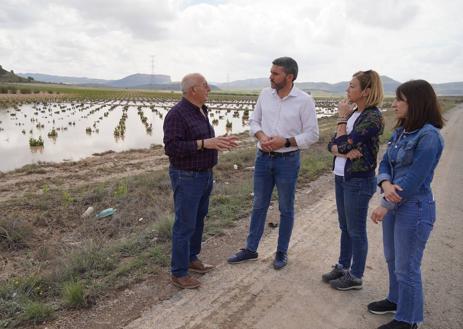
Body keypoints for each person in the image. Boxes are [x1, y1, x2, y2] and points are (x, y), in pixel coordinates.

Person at [227, 57, 319, 269]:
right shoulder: (264, 94)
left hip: (288, 160)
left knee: (286, 207)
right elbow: (254, 121)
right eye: (271, 72)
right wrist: (261, 137)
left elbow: (312, 134)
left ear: (289, 77)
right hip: (262, 158)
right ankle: (250, 249)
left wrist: (285, 141)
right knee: (259, 204)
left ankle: (281, 252)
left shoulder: (304, 100)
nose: (270, 76)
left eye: (275, 73)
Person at [368, 80, 444, 329]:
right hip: (395, 201)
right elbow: (385, 164)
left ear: (416, 103)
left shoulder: (429, 136)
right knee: (392, 258)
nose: (395, 103)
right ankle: (395, 298)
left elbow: (413, 180)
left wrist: (384, 203)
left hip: (415, 208)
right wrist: (386, 184)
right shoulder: (401, 132)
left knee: (407, 265)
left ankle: (409, 319)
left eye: (400, 99)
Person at [163, 73, 238, 289]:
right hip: (187, 176)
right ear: (193, 90)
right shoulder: (176, 115)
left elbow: (205, 142)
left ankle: (191, 258)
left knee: (198, 220)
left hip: (205, 174)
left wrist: (218, 142)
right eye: (205, 85)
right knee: (184, 224)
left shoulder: (201, 110)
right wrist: (205, 143)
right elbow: (172, 148)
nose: (209, 89)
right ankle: (178, 272)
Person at [322, 70, 384, 290]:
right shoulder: (353, 114)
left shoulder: (373, 118)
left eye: (351, 86)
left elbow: (346, 143)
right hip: (341, 176)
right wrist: (342, 151)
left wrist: (341, 122)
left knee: (356, 230)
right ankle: (342, 265)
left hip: (358, 180)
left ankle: (355, 275)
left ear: (366, 91)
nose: (347, 90)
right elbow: (331, 145)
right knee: (345, 226)